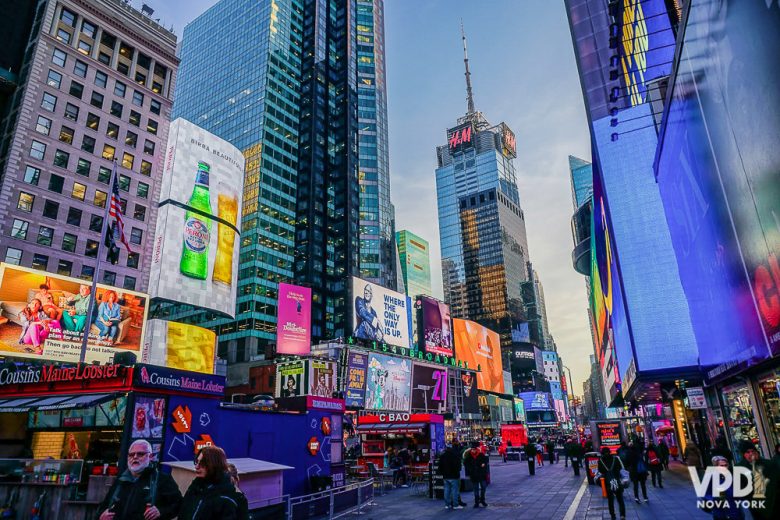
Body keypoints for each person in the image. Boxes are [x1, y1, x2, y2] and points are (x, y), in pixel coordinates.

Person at [97, 439, 182, 520]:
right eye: (131, 454)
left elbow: (179, 505)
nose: (135, 457)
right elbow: (104, 506)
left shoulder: (162, 479)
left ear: (151, 457)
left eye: (140, 454)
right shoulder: (120, 481)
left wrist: (160, 511)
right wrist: (101, 515)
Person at [179, 446, 239, 520]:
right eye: (197, 462)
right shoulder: (196, 485)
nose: (197, 466)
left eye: (202, 464)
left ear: (215, 465)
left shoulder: (226, 497)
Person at [736, 441, 778, 520]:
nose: (751, 454)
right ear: (743, 455)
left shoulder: (769, 464)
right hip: (757, 507)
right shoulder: (739, 468)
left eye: (753, 451)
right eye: (748, 452)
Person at [703, 456, 745, 520]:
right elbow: (705, 494)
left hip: (735, 511)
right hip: (720, 512)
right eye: (721, 466)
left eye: (726, 465)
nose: (724, 467)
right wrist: (714, 499)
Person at [597, 447, 626, 520]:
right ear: (610, 452)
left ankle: (613, 515)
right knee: (620, 499)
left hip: (608, 483)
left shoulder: (600, 461)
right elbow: (620, 468)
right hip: (616, 481)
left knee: (610, 500)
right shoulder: (615, 459)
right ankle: (622, 515)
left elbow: (600, 470)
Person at [438, 444, 464, 510]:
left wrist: (443, 473)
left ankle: (447, 504)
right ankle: (455, 505)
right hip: (454, 476)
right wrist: (457, 472)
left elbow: (440, 466)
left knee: (446, 490)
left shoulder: (442, 456)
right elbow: (458, 466)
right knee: (454, 491)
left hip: (446, 476)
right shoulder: (454, 455)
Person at [463, 442, 489, 508]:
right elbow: (466, 464)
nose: (473, 450)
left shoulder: (480, 455)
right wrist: (470, 470)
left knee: (483, 487)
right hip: (474, 475)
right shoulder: (469, 456)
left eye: (474, 449)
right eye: (472, 449)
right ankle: (476, 502)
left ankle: (482, 500)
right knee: (476, 489)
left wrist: (484, 464)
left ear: (476, 449)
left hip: (481, 474)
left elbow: (485, 461)